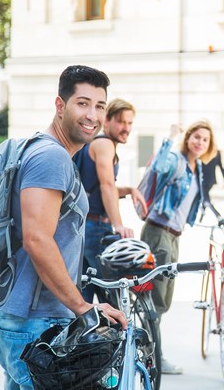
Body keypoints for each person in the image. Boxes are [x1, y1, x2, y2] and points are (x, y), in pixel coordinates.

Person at [0, 65, 127, 390]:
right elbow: (37, 239)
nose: (92, 114)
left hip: (21, 317)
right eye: (82, 103)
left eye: (99, 105)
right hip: (35, 320)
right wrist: (83, 306)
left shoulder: (32, 149)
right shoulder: (52, 158)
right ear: (60, 105)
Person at [140, 120, 216, 375]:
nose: (199, 142)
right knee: (156, 299)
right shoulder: (176, 160)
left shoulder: (197, 169)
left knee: (162, 299)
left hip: (172, 237)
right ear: (188, 138)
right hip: (159, 232)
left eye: (204, 139)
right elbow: (158, 167)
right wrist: (170, 137)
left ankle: (150, 353)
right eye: (196, 136)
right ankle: (154, 358)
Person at [76, 98, 147, 303]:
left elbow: (98, 186)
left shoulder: (95, 143)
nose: (126, 128)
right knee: (115, 298)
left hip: (81, 228)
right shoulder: (105, 144)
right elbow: (106, 185)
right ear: (107, 121)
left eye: (130, 123)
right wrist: (118, 225)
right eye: (121, 122)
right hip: (96, 228)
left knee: (86, 297)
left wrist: (128, 189)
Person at [200, 149, 224, 219]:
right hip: (211, 180)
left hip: (203, 179)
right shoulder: (217, 152)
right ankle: (201, 216)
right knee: (205, 197)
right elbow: (220, 165)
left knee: (206, 200)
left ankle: (218, 215)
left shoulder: (203, 152)